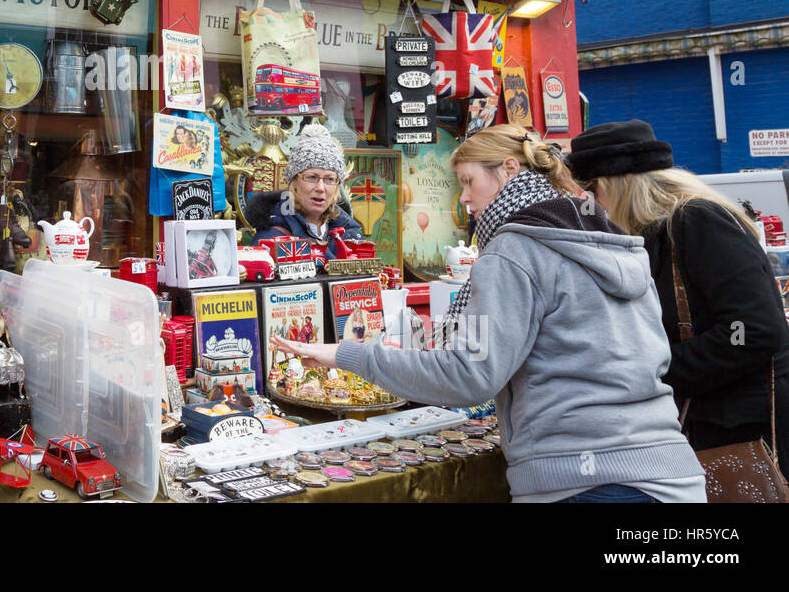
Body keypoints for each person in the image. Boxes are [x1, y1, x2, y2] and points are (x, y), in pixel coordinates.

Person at [273, 124, 705, 503]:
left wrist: (346, 355)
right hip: (670, 470)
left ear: (509, 172)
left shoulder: (515, 249)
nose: (463, 200)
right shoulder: (610, 236)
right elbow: (653, 354)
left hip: (585, 481)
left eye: (467, 182)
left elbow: (468, 376)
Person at [567, 119, 789, 477]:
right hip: (710, 422)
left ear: (615, 184)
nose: (591, 206)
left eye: (590, 192)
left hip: (741, 429)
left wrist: (654, 369)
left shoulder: (695, 220)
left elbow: (753, 329)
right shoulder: (657, 231)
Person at [248, 124, 363, 258]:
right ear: (294, 182)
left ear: (338, 186)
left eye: (330, 179)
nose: (320, 188)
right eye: (312, 177)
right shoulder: (271, 240)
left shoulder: (350, 234)